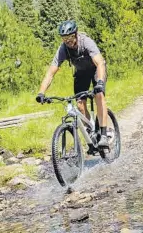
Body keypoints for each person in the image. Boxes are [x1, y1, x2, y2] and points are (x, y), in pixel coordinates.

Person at [35, 20, 109, 149]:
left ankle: (103, 135)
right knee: (80, 105)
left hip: (96, 70)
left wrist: (100, 83)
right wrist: (41, 92)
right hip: (81, 73)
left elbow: (100, 63)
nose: (68, 41)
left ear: (75, 34)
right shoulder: (63, 49)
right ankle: (91, 133)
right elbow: (50, 73)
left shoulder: (86, 42)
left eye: (70, 37)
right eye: (64, 38)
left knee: (99, 95)